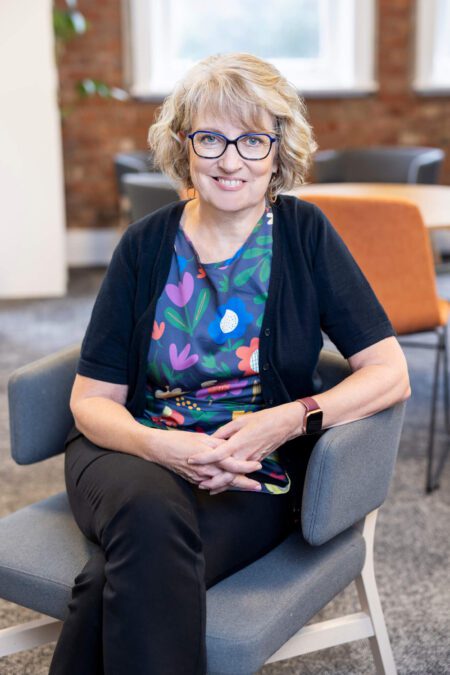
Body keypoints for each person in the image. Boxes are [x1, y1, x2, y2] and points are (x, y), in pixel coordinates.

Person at [49, 52, 410, 675]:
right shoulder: (144, 244)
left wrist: (286, 422)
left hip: (249, 473)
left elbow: (390, 372)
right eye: (211, 137)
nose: (231, 159)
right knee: (146, 511)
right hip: (129, 456)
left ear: (278, 149)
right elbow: (91, 402)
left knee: (112, 582)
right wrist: (165, 449)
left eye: (252, 139)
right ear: (184, 145)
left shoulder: (304, 235)